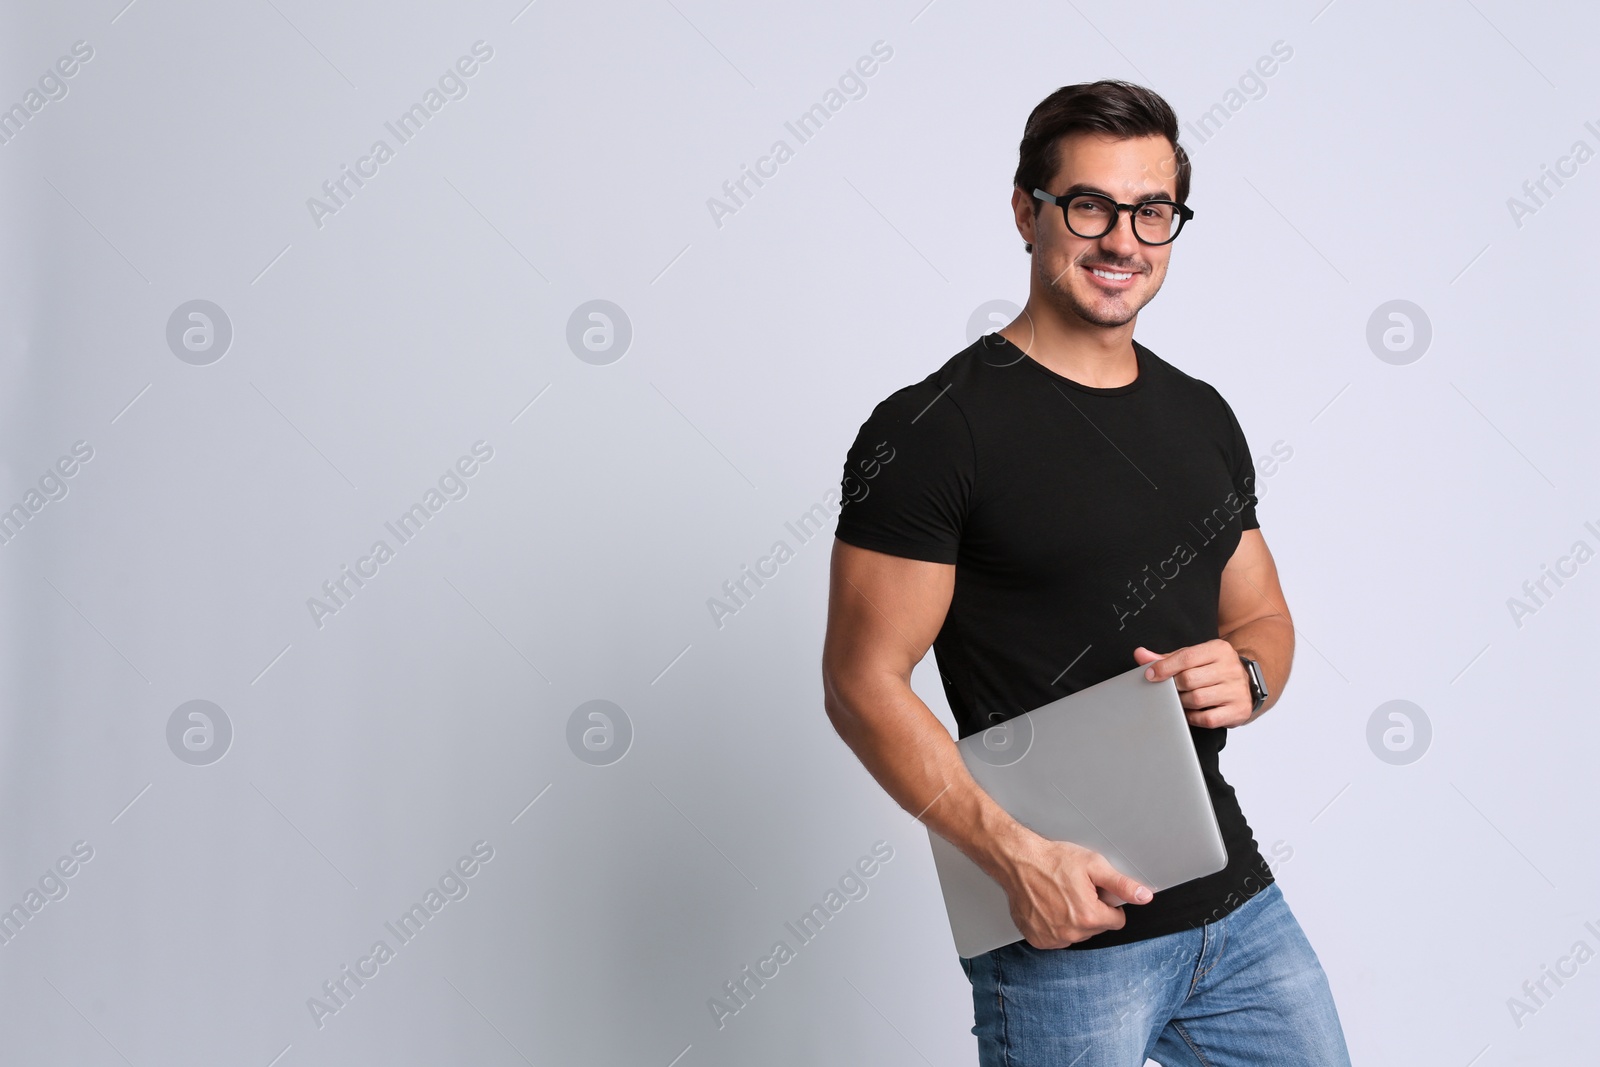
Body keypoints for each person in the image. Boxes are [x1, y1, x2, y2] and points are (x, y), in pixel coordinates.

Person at [820, 79, 1352, 1066]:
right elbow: (859, 682)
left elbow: (1263, 614)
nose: (1122, 240)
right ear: (1027, 211)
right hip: (1064, 933)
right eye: (1089, 205)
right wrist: (1015, 857)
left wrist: (1246, 676)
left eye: (1151, 211)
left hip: (1231, 904)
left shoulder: (1200, 416)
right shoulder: (933, 431)